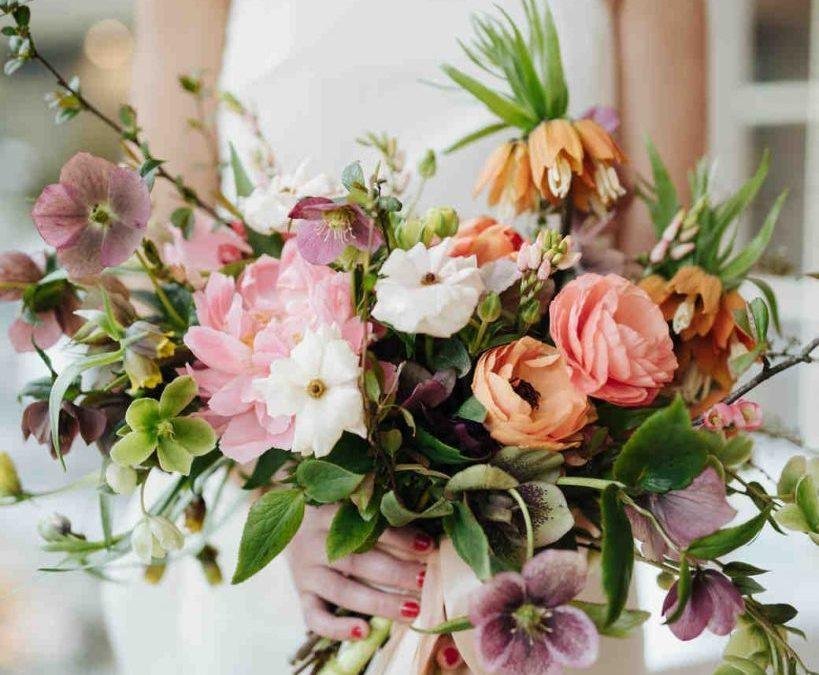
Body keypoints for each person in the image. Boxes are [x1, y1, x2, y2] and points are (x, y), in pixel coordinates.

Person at [103, 1, 707, 672]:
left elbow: (661, 287)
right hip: (294, 538)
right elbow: (168, 255)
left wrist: (548, 476)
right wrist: (289, 490)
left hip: (539, 546)